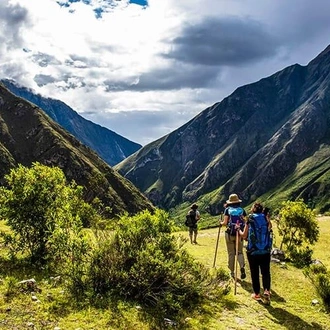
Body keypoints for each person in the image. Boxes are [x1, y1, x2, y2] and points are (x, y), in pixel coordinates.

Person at [238, 202, 272, 301]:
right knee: (266, 272)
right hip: (265, 250)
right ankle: (266, 291)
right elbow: (269, 230)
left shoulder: (250, 219)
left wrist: (238, 230)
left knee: (254, 272)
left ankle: (257, 294)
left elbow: (244, 235)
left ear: (253, 209)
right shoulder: (266, 218)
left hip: (252, 251)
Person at [220, 193, 246, 279]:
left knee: (231, 253)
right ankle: (242, 267)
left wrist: (220, 223)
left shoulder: (227, 210)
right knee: (239, 252)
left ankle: (232, 272)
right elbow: (245, 223)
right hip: (240, 233)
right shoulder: (242, 210)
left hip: (230, 234)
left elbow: (225, 223)